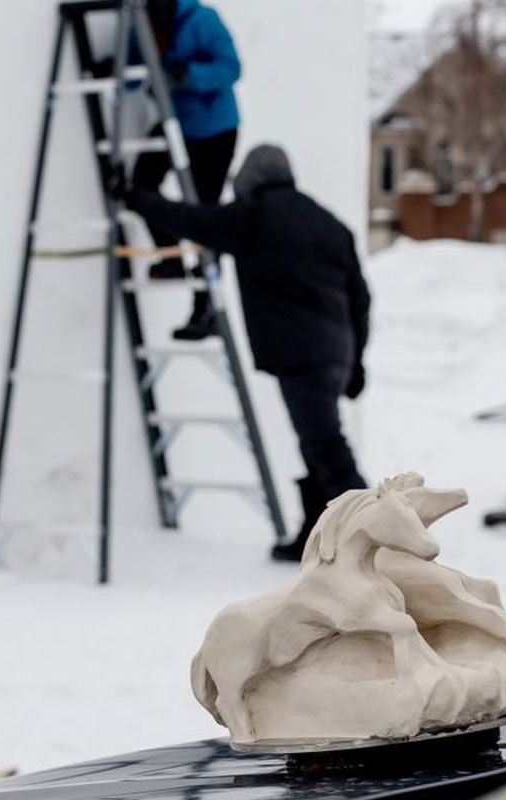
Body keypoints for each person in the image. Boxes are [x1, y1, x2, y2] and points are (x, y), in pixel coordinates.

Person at [119, 144, 371, 562]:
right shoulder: (331, 225)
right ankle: (314, 537)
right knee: (316, 443)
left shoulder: (255, 216)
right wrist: (357, 359)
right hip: (335, 351)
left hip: (300, 352)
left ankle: (375, 538)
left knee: (326, 446)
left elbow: (192, 221)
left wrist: (137, 198)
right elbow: (361, 298)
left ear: (250, 181)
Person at [133, 0, 241, 340]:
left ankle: (205, 307)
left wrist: (190, 75)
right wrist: (118, 71)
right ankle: (171, 259)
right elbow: (136, 71)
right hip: (174, 122)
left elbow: (232, 67)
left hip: (215, 129)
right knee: (140, 187)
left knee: (205, 219)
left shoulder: (201, 20)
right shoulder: (140, 20)